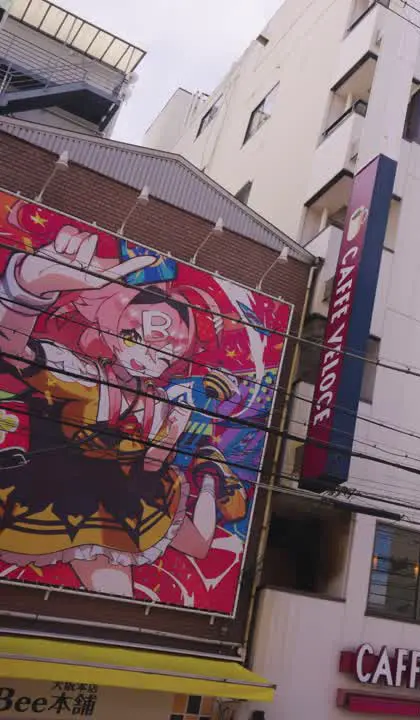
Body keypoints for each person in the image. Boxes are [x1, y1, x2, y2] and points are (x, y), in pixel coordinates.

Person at [0, 224, 246, 597]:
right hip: (67, 496)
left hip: (130, 491)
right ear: (113, 321)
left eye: (168, 353)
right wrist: (26, 288)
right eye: (139, 337)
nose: (152, 355)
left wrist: (183, 420)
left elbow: (151, 463)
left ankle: (209, 474)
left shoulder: (158, 402)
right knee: (116, 595)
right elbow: (13, 352)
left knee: (198, 545)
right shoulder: (84, 377)